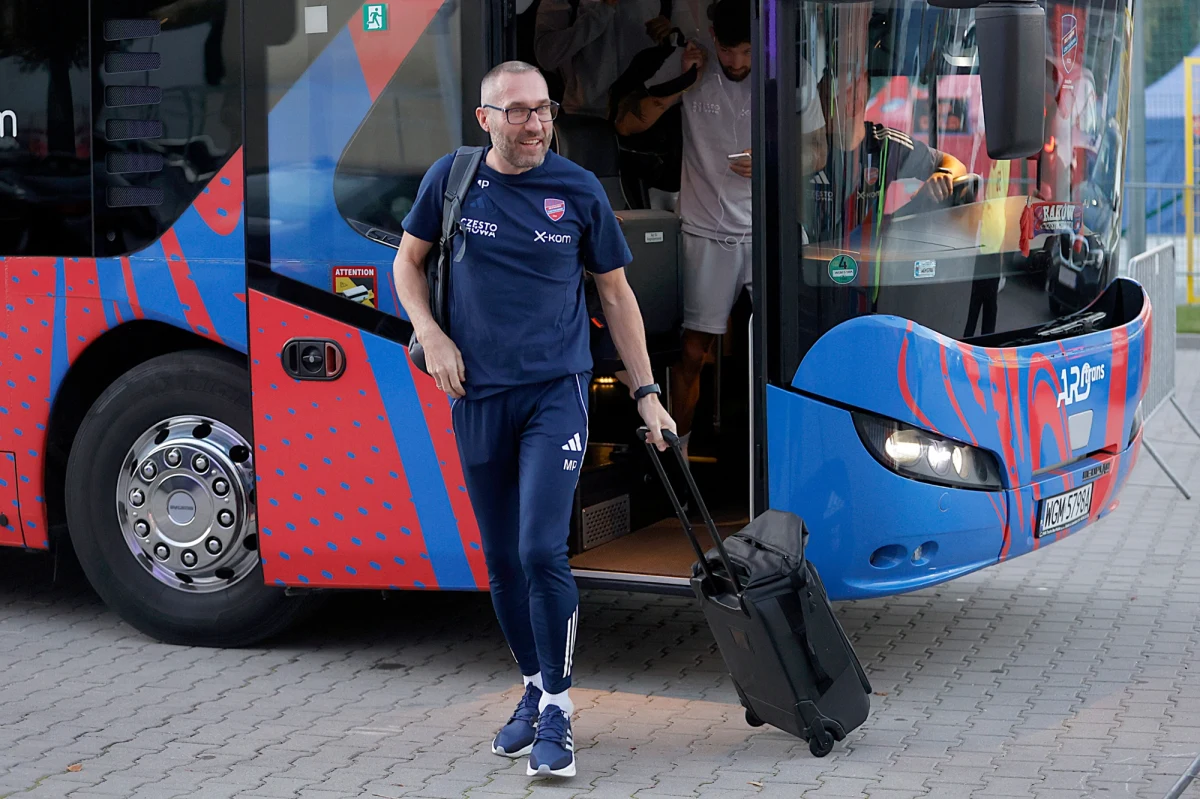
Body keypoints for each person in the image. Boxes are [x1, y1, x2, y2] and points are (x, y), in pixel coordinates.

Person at [392, 61, 676, 779]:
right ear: (484, 118)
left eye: (543, 109)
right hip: (479, 395)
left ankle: (558, 708)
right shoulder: (453, 180)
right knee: (500, 561)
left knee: (542, 549)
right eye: (517, 111)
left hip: (557, 391)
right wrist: (429, 332)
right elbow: (408, 263)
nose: (535, 123)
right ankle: (531, 684)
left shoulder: (578, 190)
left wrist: (646, 393)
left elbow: (616, 294)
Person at [612, 0, 824, 456]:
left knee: (793, 345)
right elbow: (629, 123)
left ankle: (797, 453)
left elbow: (818, 153)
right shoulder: (692, 60)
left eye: (747, 52)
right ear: (711, 34)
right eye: (728, 51)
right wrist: (681, 83)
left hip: (770, 228)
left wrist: (772, 162)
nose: (737, 62)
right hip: (706, 228)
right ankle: (678, 457)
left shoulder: (791, 66)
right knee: (693, 352)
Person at [806, 63, 968, 245]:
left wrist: (943, 175)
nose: (817, 108)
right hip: (806, 257)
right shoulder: (808, 146)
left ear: (854, 107)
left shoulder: (884, 144)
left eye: (826, 100)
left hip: (866, 258)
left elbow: (954, 164)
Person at [535, 0, 693, 118]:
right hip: (586, 118)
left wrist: (668, 34)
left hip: (643, 117)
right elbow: (547, 56)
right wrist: (602, 11)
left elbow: (686, 48)